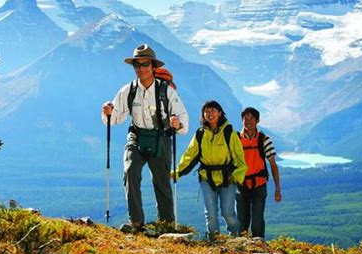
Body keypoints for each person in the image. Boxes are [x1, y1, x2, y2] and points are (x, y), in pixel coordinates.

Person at [102, 44, 189, 233]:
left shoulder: (167, 91)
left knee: (162, 182)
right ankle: (136, 222)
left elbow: (183, 119)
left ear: (153, 67)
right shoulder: (128, 90)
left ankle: (166, 225)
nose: (141, 68)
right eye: (137, 65)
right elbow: (116, 117)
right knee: (130, 171)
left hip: (160, 137)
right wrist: (108, 112)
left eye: (145, 64)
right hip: (137, 135)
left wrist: (177, 124)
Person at [175, 100, 247, 240]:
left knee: (228, 213)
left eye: (213, 110)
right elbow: (190, 155)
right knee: (211, 213)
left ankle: (235, 236)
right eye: (207, 111)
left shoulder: (229, 132)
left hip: (228, 177)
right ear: (203, 114)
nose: (210, 114)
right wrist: (177, 172)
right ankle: (215, 240)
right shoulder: (200, 133)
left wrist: (238, 175)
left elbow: (238, 155)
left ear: (220, 113)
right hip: (207, 177)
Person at [236, 107, 282, 239]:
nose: (248, 121)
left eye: (251, 118)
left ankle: (258, 246)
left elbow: (273, 165)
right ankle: (241, 250)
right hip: (241, 185)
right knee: (241, 221)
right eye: (245, 118)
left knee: (257, 220)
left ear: (258, 121)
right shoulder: (236, 139)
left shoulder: (264, 140)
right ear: (242, 121)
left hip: (259, 185)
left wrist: (277, 189)